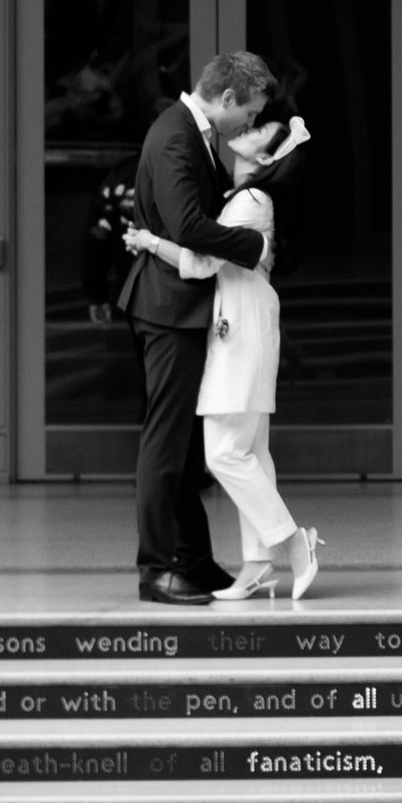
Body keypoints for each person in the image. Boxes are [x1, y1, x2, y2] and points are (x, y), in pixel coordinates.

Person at [125, 111, 321, 602]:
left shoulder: (250, 201)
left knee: (224, 452)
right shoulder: (248, 198)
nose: (248, 127)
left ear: (263, 157)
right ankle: (257, 564)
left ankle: (293, 542)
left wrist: (149, 240)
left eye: (258, 129)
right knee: (251, 450)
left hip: (240, 333)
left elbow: (198, 262)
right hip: (247, 327)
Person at [118, 49, 275, 605]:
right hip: (167, 307)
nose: (250, 125)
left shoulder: (189, 131)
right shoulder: (177, 134)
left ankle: (192, 559)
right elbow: (186, 223)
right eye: (250, 113)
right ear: (228, 98)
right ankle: (156, 569)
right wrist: (254, 245)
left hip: (178, 305)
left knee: (182, 449)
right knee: (165, 444)